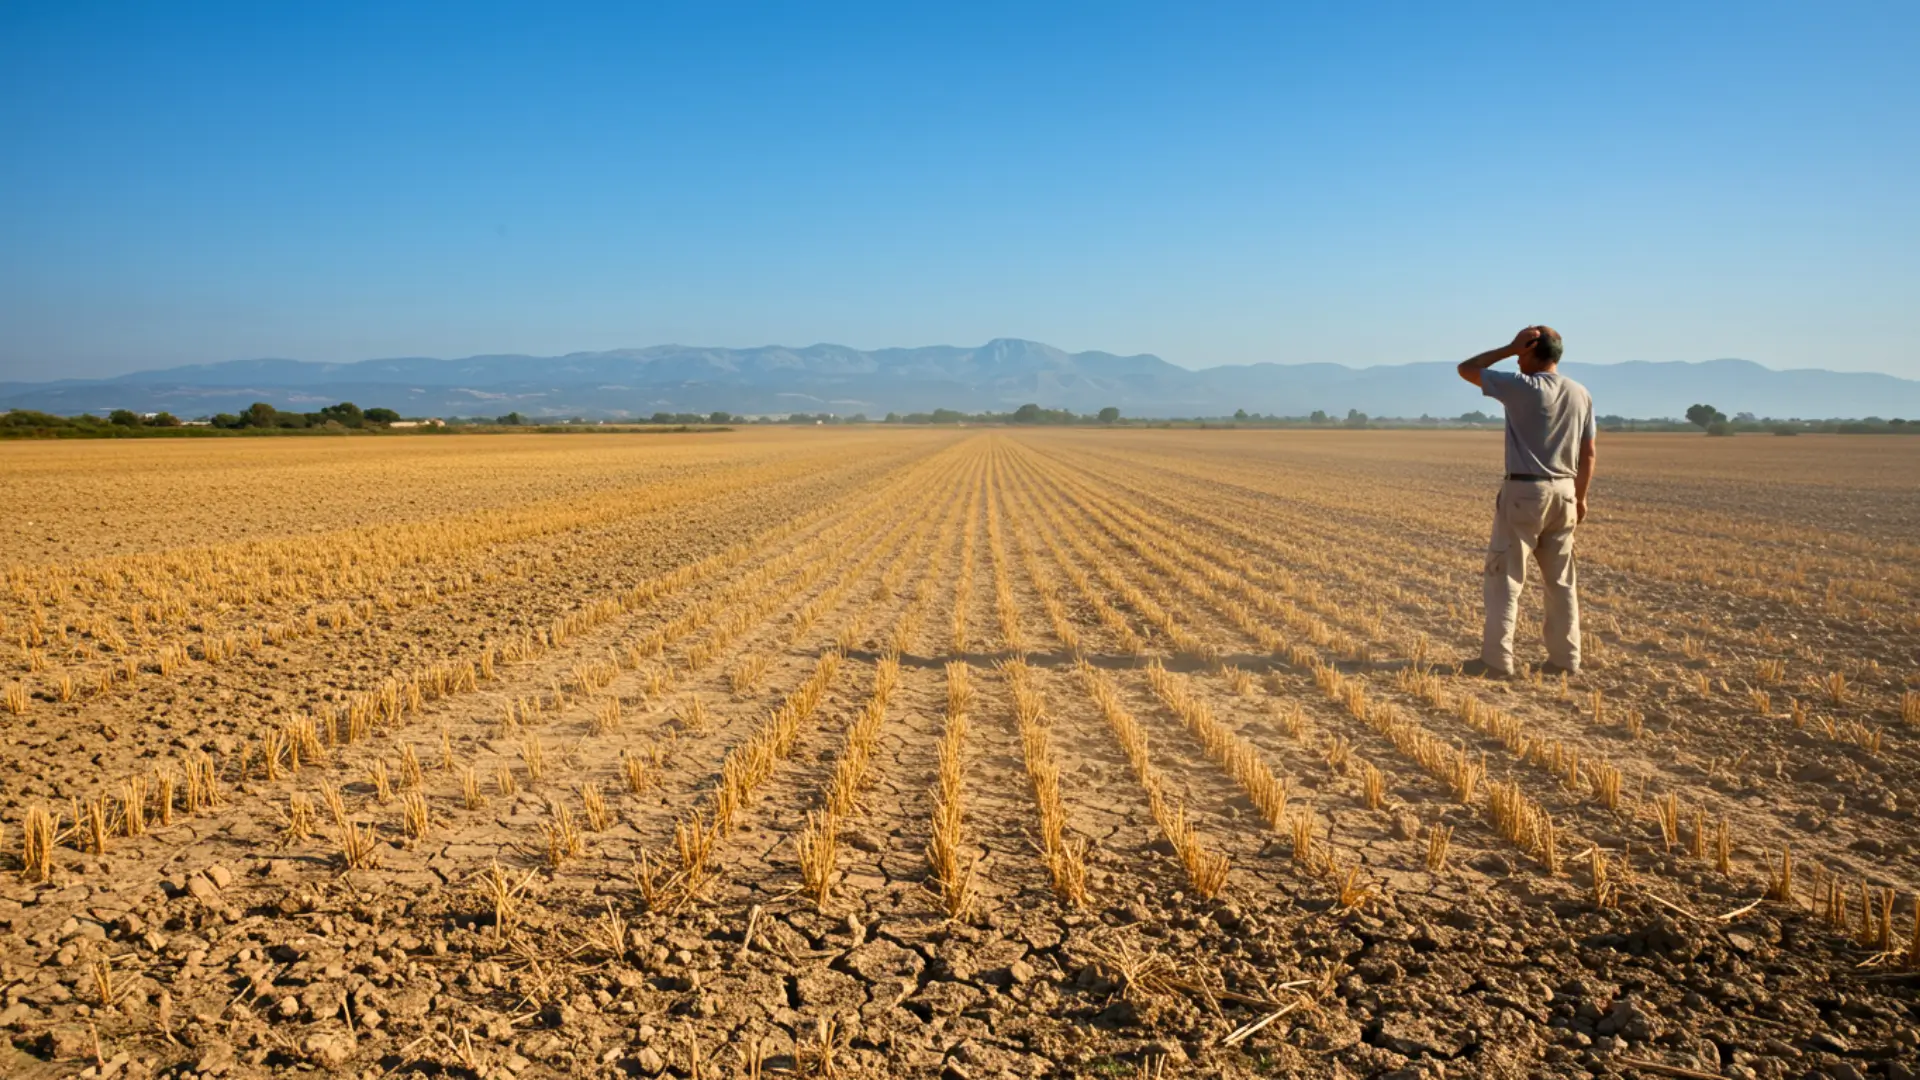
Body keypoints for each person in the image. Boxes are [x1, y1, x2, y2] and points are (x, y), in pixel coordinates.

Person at [1456, 325, 1596, 677]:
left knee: (1505, 577)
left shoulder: (1523, 387)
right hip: (1565, 491)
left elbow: (1466, 369)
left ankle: (1496, 660)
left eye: (1523, 350)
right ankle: (1566, 661)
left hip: (1525, 491)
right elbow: (1588, 451)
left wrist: (1507, 347)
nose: (1518, 358)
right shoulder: (1581, 393)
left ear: (1534, 350)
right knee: (1561, 581)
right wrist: (1580, 498)